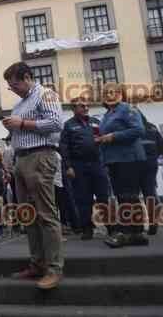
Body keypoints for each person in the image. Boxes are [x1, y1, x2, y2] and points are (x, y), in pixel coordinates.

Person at [2, 62, 64, 290]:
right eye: (10, 87)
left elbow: (57, 123)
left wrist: (23, 123)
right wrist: (13, 126)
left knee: (46, 214)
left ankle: (54, 268)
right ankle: (37, 263)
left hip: (40, 156)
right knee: (28, 215)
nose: (13, 89)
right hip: (22, 158)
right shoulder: (20, 103)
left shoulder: (45, 94)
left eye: (15, 84)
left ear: (27, 77)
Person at [98, 84, 148, 249]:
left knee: (127, 196)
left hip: (128, 159)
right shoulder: (108, 114)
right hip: (114, 160)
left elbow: (139, 130)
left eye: (112, 92)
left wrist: (113, 136)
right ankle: (137, 233)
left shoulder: (127, 108)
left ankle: (125, 232)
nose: (109, 95)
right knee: (126, 196)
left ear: (120, 94)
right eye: (105, 93)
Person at [59, 98, 109, 240]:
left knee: (103, 196)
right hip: (78, 166)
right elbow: (64, 148)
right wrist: (68, 167)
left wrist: (106, 163)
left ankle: (110, 226)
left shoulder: (96, 122)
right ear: (74, 109)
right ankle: (87, 228)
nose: (86, 108)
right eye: (82, 106)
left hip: (97, 165)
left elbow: (104, 142)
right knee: (83, 199)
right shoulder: (68, 125)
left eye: (87, 105)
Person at [136, 109, 163, 236]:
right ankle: (153, 222)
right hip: (150, 165)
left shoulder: (131, 128)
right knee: (150, 193)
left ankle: (138, 226)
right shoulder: (152, 127)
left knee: (133, 195)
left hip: (134, 165)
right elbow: (162, 146)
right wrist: (153, 156)